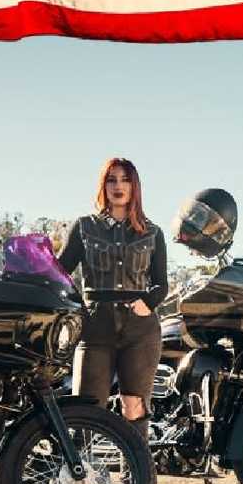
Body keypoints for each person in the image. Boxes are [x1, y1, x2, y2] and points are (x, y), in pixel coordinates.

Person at [57, 158, 167, 439]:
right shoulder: (84, 227)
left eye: (125, 179)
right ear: (103, 186)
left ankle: (139, 481)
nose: (118, 186)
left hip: (140, 330)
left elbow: (161, 284)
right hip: (95, 329)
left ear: (135, 186)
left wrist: (148, 304)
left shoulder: (153, 233)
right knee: (86, 408)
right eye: (112, 180)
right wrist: (79, 308)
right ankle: (77, 480)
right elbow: (59, 274)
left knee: (134, 406)